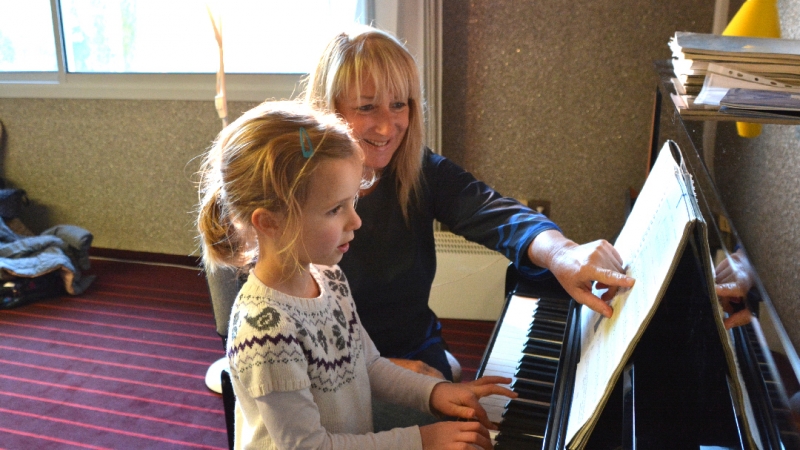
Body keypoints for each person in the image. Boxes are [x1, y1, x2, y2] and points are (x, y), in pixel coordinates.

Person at [302, 25, 636, 382]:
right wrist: (382, 372)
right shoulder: (297, 186)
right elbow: (286, 320)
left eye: (398, 104)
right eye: (367, 107)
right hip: (332, 362)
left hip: (414, 344)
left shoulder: (420, 170)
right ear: (328, 109)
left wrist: (562, 253)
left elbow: (494, 213)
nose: (387, 127)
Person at [196, 100, 517, 449]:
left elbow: (368, 364)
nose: (356, 221)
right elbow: (310, 446)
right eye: (335, 209)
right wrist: (421, 440)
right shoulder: (266, 333)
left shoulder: (328, 278)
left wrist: (435, 392)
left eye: (352, 202)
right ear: (270, 222)